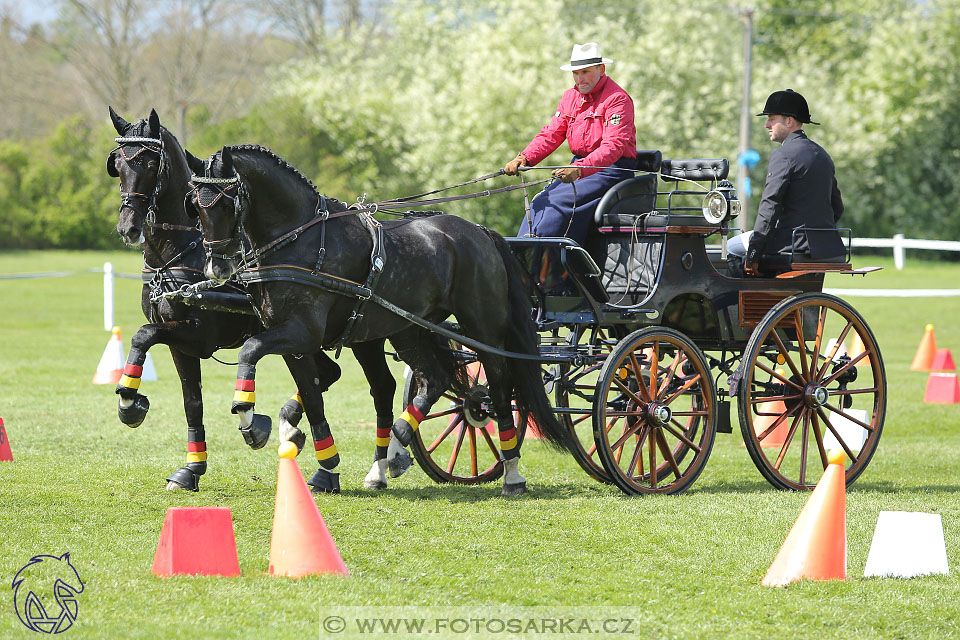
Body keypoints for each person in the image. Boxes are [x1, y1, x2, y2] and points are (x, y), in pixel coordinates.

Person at [503, 42, 636, 245]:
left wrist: (579, 169)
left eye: (585, 72)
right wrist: (525, 157)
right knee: (540, 201)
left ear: (601, 69)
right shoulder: (570, 97)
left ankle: (550, 262)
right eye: (576, 73)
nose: (579, 79)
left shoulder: (617, 99)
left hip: (610, 171)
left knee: (558, 202)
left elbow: (613, 146)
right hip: (581, 168)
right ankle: (526, 253)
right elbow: (552, 134)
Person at [728, 89, 845, 277]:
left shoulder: (783, 155)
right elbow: (837, 207)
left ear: (789, 121)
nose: (767, 125)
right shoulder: (823, 155)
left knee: (731, 248)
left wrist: (753, 253)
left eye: (772, 119)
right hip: (825, 246)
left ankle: (750, 303)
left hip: (793, 244)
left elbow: (770, 206)